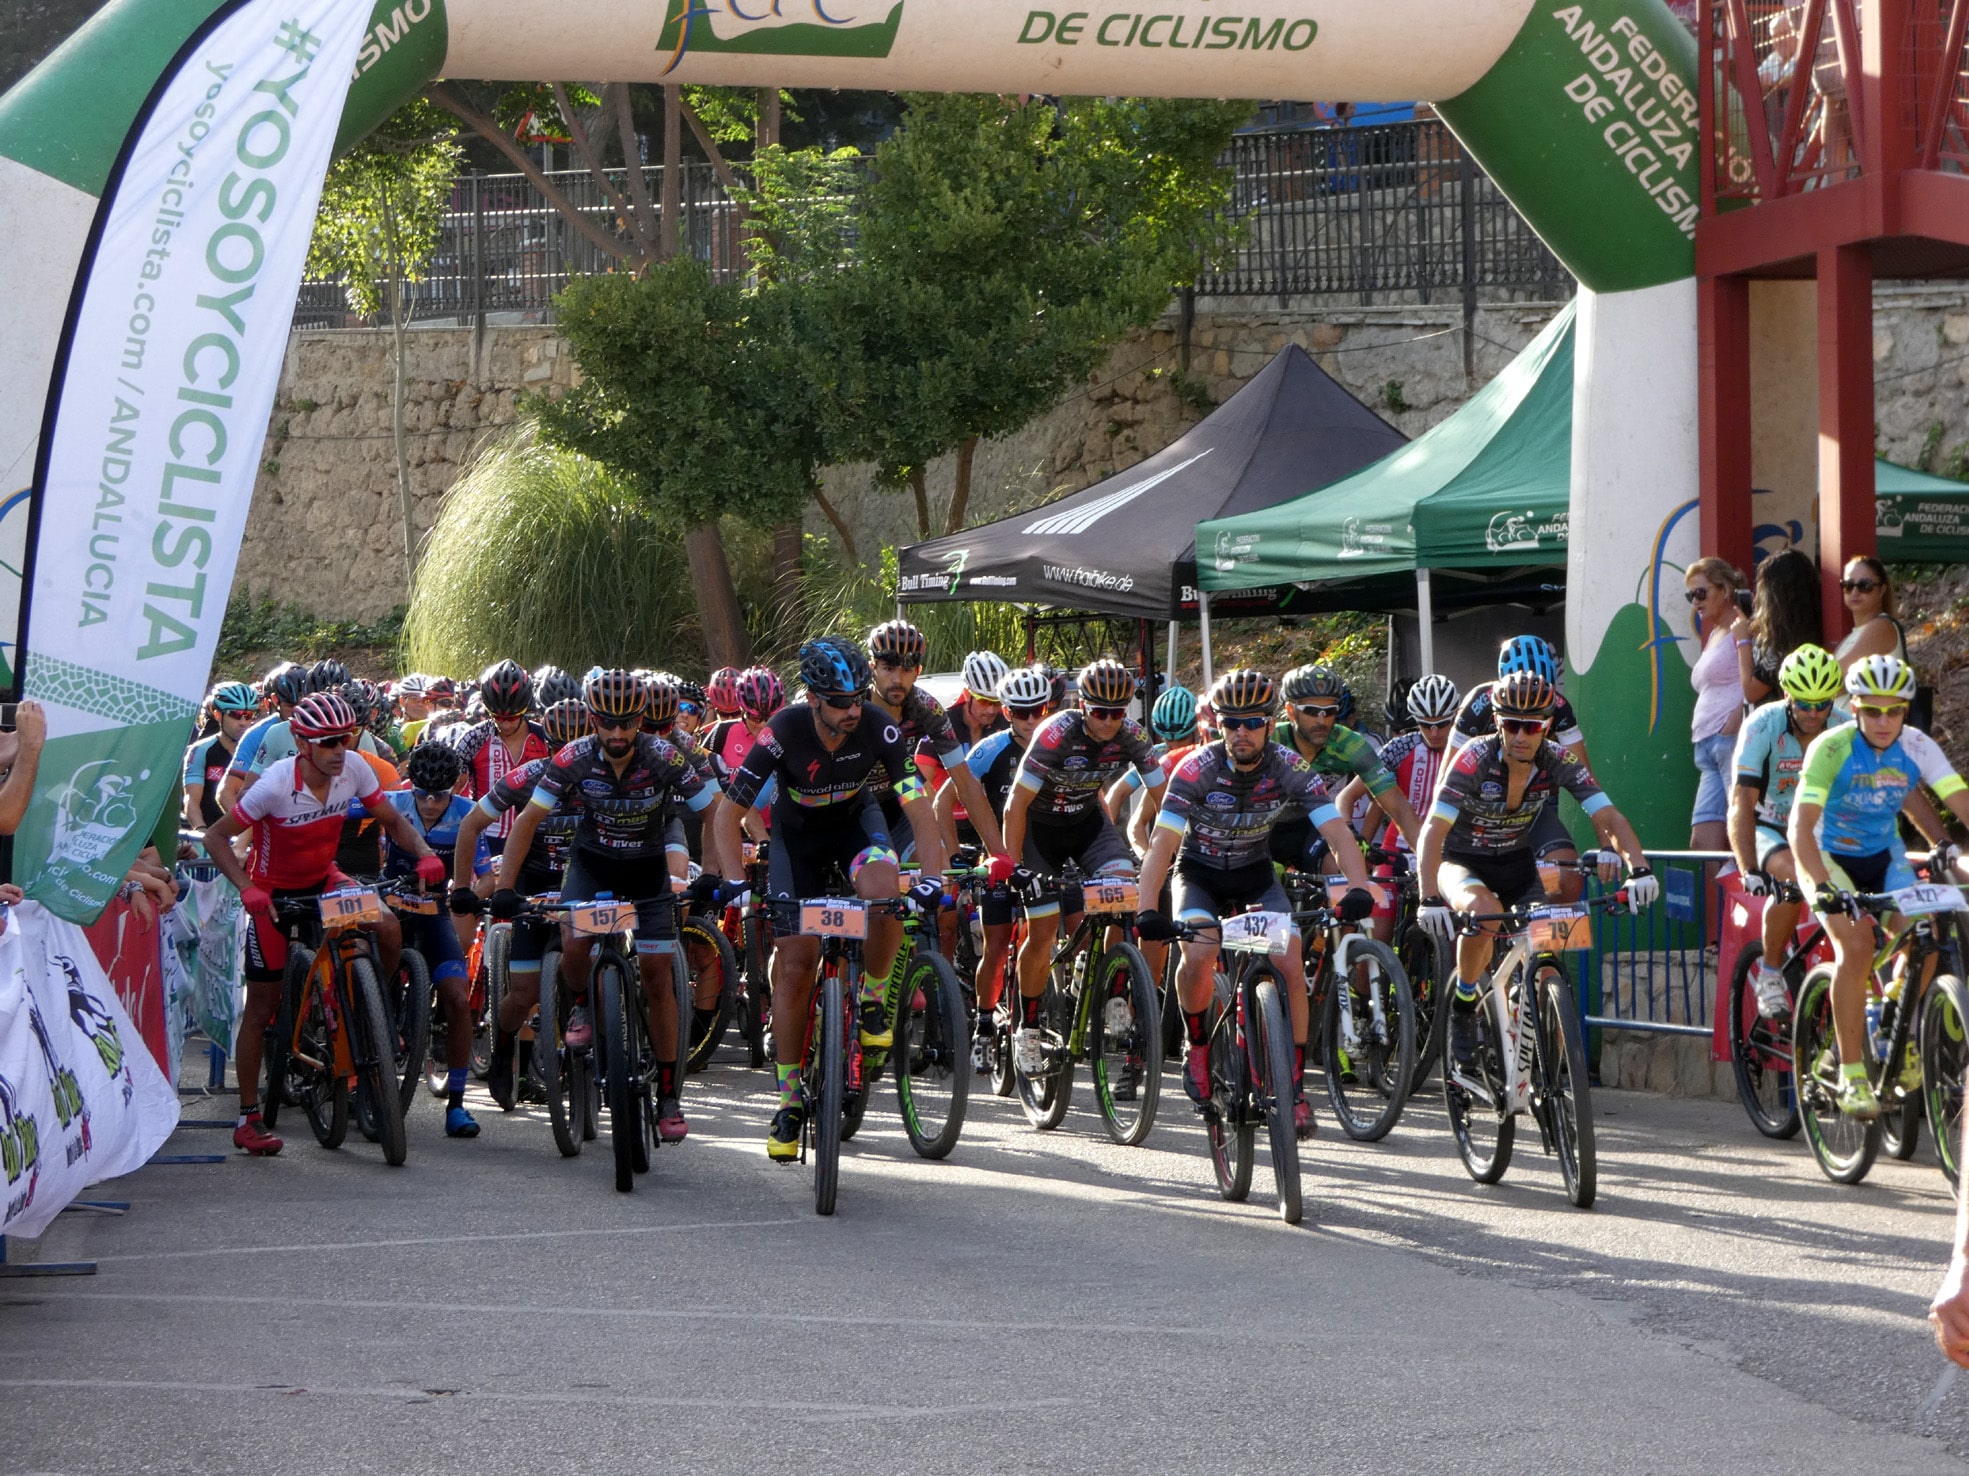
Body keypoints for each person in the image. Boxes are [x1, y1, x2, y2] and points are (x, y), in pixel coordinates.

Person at [709, 637, 944, 1161]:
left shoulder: (879, 727)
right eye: (840, 702)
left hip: (856, 825)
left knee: (885, 896)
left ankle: (873, 999)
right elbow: (727, 816)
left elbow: (918, 808)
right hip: (797, 840)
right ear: (813, 698)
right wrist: (736, 885)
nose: (852, 710)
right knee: (797, 962)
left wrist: (932, 877)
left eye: (858, 698)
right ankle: (790, 1100)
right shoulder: (782, 731)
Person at [200, 693, 449, 1157]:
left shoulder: (355, 768)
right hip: (274, 893)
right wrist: (246, 888)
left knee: (387, 926)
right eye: (328, 742)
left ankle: (374, 1010)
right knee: (261, 1008)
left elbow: (392, 821)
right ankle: (248, 1118)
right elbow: (216, 837)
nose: (340, 750)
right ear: (301, 743)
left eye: (346, 739)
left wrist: (425, 853)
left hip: (326, 879)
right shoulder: (275, 784)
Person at [1134, 669, 1380, 1138]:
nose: (1241, 732)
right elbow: (1163, 844)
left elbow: (1335, 831)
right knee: (1200, 951)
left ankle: (1295, 1086)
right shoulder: (1195, 769)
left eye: (1251, 722)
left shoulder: (1290, 766)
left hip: (1255, 874)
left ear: (1270, 724)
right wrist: (1148, 909)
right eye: (1231, 723)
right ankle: (1197, 1045)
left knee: (1289, 959)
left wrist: (1357, 887)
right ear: (1218, 725)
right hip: (1199, 874)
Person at [494, 669, 716, 1143]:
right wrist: (506, 887)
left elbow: (713, 810)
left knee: (658, 978)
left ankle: (669, 1094)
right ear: (593, 719)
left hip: (647, 870)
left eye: (628, 723)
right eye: (607, 723)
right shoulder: (571, 758)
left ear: (640, 720)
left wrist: (714, 875)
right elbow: (527, 820)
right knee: (574, 942)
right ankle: (579, 1006)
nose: (618, 733)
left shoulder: (664, 756)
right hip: (591, 864)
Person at [1416, 671, 1657, 1069]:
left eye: (1532, 727)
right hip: (1460, 861)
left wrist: (1640, 868)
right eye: (1512, 724)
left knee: (1546, 947)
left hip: (1517, 864)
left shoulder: (1557, 759)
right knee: (1485, 911)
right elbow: (1432, 830)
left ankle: (1536, 1026)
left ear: (1546, 726)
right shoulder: (1474, 757)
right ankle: (1463, 1003)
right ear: (1497, 722)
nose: (1521, 736)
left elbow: (1609, 816)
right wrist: (1427, 896)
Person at [1787, 654, 1969, 1119]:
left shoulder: (1918, 747)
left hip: (1884, 856)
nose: (1883, 721)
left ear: (1906, 710)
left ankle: (1892, 1018)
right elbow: (1800, 828)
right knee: (1857, 945)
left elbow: (1961, 803)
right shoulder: (1832, 748)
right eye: (1872, 710)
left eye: (1893, 711)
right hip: (1828, 856)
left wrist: (1953, 850)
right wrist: (1822, 886)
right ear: (1855, 708)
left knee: (1926, 935)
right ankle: (1851, 1073)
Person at [999, 658, 1164, 1075]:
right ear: (1083, 705)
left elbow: (1165, 801)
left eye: (1117, 712)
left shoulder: (1133, 736)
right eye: (1100, 712)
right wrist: (1014, 867)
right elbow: (1015, 804)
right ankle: (1027, 1029)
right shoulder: (1055, 733)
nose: (1108, 721)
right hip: (1039, 831)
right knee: (1042, 930)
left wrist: (1176, 852)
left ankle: (1113, 993)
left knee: (1122, 895)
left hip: (1088, 824)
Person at [456, 698, 589, 1111]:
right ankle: (503, 1052)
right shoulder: (527, 776)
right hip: (533, 882)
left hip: (584, 881)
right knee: (523, 993)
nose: (568, 758)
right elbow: (471, 824)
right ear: (545, 746)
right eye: (559, 749)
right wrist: (463, 887)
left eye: (579, 747)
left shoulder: (607, 778)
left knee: (593, 976)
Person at [934, 664, 1052, 1063]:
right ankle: (985, 1024)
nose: (1032, 720)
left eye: (1039, 710)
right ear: (1007, 712)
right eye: (1022, 712)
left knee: (1050, 937)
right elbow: (943, 801)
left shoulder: (1060, 745)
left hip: (1044, 857)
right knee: (997, 947)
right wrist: (955, 855)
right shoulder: (991, 748)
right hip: (1001, 859)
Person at [1728, 644, 1847, 1017]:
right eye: (1804, 704)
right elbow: (1741, 803)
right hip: (1768, 824)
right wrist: (1749, 869)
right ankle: (1769, 972)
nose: (1814, 713)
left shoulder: (1844, 726)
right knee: (1796, 879)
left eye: (1822, 704)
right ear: (1786, 695)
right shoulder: (1763, 724)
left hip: (1817, 826)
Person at [382, 742, 491, 1138]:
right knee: (369, 977)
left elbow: (487, 877)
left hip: (434, 911)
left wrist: (466, 897)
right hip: (390, 905)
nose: (429, 803)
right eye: (422, 793)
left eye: (440, 795)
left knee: (458, 998)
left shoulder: (467, 814)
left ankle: (457, 1104)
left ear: (456, 787)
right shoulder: (391, 803)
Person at [1448, 636, 1596, 900]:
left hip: (1529, 808)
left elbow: (1588, 782)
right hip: (1476, 813)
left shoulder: (1560, 706)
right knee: (1477, 898)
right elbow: (1445, 777)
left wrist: (1608, 847)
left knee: (1568, 879)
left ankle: (1533, 922)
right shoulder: (1478, 704)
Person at [866, 620, 1009, 864]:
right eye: (888, 668)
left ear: (918, 671)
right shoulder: (854, 708)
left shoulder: (927, 708)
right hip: (853, 808)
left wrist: (1000, 857)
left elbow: (965, 783)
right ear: (873, 668)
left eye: (907, 670)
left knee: (941, 867)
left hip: (898, 806)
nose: (897, 679)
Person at [1269, 664, 1422, 870]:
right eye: (1312, 711)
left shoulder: (1349, 744)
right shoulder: (1271, 740)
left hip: (1310, 826)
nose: (1321, 720)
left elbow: (1397, 805)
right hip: (1261, 830)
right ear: (1290, 711)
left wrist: (1428, 860)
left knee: (1341, 866)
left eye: (1330, 711)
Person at [1686, 556, 1750, 851]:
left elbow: (1759, 680)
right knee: (1703, 844)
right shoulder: (1714, 633)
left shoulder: (1745, 627)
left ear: (1724, 590)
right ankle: (1738, 883)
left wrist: (1733, 725)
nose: (1695, 602)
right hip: (1707, 744)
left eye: (1701, 593)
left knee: (1744, 831)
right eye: (1690, 596)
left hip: (1730, 740)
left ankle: (1754, 879)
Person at [1739, 547, 1822, 705]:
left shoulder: (1779, 644)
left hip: (1778, 717)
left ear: (1773, 594)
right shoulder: (1813, 628)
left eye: (1761, 588)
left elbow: (1751, 692)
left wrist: (1742, 641)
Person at [1832, 555, 1909, 711]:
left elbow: (1830, 679)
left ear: (1882, 590)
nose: (1855, 592)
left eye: (1864, 586)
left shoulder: (1882, 626)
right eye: (1848, 585)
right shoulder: (1850, 637)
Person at [183, 683, 259, 829]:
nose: (243, 722)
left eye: (248, 715)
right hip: (212, 831)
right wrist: (200, 829)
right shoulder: (200, 750)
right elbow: (191, 799)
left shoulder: (262, 748)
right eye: (235, 715)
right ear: (218, 715)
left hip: (250, 834)